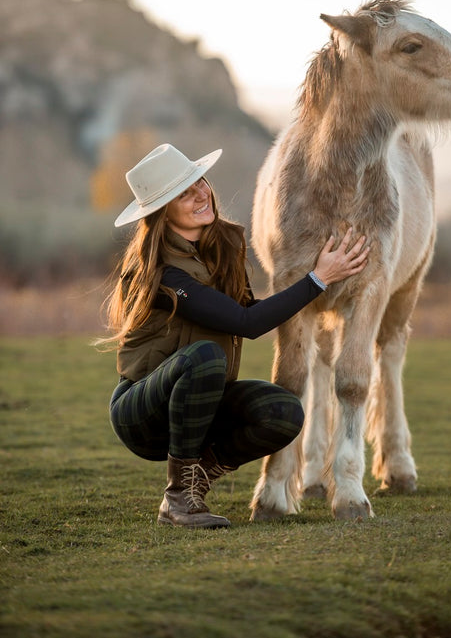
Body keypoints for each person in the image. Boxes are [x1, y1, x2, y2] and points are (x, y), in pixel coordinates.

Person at [101, 143, 370, 529]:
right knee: (205, 355)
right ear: (163, 212)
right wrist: (318, 279)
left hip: (200, 402)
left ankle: (193, 484)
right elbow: (248, 323)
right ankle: (178, 500)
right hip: (143, 412)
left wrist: (314, 277)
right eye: (184, 193)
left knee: (285, 411)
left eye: (199, 183)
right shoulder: (162, 273)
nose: (201, 194)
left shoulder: (221, 250)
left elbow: (250, 308)